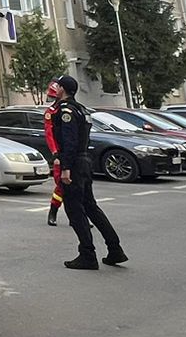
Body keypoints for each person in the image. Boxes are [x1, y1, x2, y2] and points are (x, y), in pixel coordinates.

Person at [50, 76, 127, 271]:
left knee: (75, 210)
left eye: (58, 86)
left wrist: (65, 167)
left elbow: (69, 141)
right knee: (91, 207)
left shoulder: (65, 111)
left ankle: (87, 254)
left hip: (74, 163)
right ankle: (115, 248)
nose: (55, 88)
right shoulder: (82, 110)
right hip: (84, 161)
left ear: (63, 89)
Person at [42, 92, 65, 227]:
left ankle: (79, 215)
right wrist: (55, 154)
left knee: (80, 187)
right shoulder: (51, 112)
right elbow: (49, 135)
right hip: (60, 154)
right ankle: (53, 212)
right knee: (61, 186)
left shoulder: (73, 108)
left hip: (74, 154)